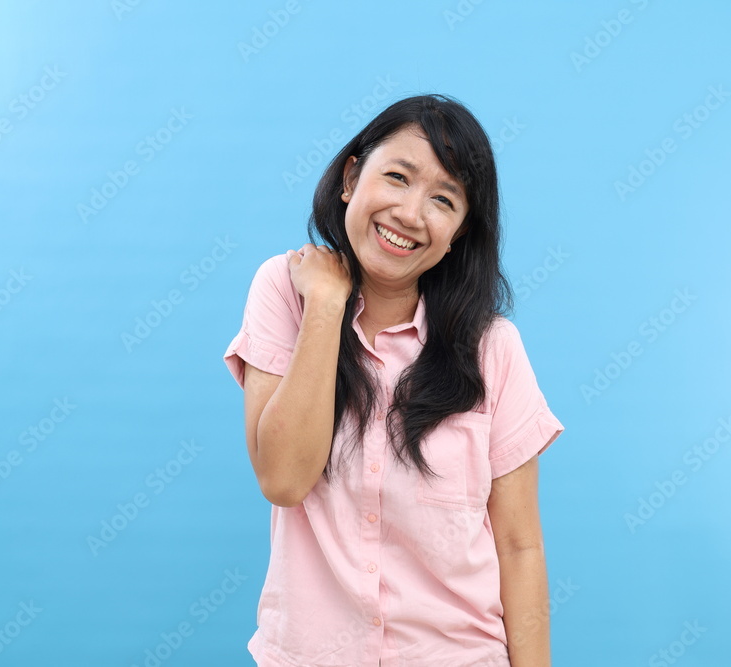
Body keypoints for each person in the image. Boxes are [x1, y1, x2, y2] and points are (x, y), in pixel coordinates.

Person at [223, 93, 564, 666]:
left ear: (459, 232)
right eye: (398, 177)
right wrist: (328, 307)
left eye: (443, 200)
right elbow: (282, 478)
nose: (410, 213)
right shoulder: (286, 290)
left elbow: (519, 544)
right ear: (352, 177)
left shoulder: (493, 347)